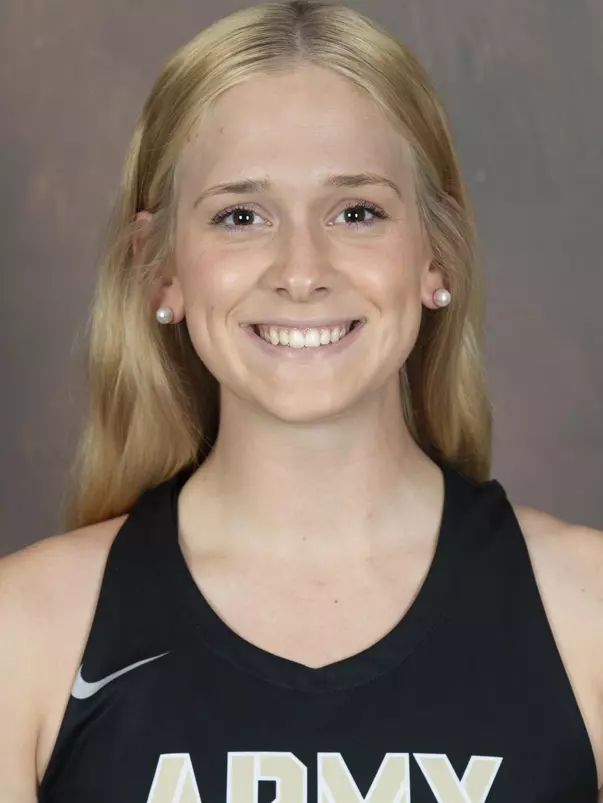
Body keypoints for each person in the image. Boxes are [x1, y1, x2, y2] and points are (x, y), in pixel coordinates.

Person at [1, 0, 601, 800]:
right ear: (161, 267)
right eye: (240, 215)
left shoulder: (587, 612)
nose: (301, 268)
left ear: (434, 253)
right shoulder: (25, 635)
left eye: (356, 212)